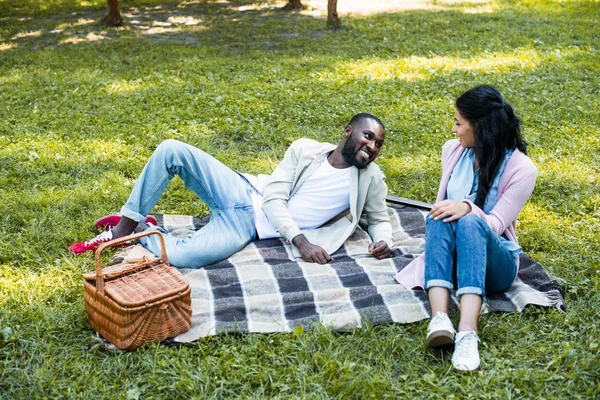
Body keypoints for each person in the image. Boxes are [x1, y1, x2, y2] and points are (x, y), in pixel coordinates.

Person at [70, 113, 393, 268]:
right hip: (243, 192)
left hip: (247, 228)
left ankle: (146, 231)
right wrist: (302, 242)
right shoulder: (305, 149)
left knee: (183, 257)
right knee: (172, 150)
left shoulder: (371, 178)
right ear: (348, 131)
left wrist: (384, 240)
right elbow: (272, 198)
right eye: (367, 136)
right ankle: (123, 229)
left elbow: (379, 217)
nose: (372, 146)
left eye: (378, 143)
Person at [394, 85, 537, 371]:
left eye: (459, 123)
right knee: (438, 215)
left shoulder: (522, 169)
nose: (453, 130)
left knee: (470, 220)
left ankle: (468, 333)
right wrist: (451, 208)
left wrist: (468, 208)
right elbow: (441, 207)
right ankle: (440, 319)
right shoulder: (453, 151)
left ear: (480, 127)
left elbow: (496, 224)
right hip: (455, 259)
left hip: (496, 266)